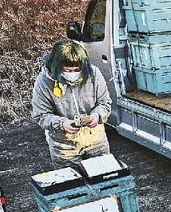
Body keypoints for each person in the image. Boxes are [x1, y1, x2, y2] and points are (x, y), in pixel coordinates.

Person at [31, 39, 112, 169]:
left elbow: (105, 103)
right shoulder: (44, 82)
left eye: (76, 69)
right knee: (72, 184)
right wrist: (62, 123)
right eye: (67, 70)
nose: (72, 74)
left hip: (96, 141)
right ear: (56, 66)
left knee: (104, 177)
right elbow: (41, 115)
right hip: (64, 146)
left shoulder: (94, 73)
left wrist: (96, 116)